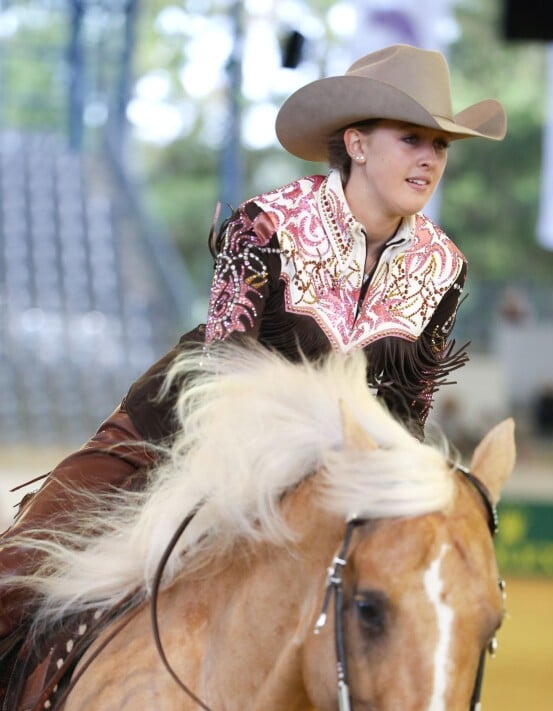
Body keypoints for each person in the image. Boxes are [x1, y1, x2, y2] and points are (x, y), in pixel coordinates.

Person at [0, 43, 506, 644]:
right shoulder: (267, 223)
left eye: (439, 146)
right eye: (411, 139)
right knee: (19, 573)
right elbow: (224, 377)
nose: (429, 160)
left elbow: (404, 416)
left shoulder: (443, 268)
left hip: (322, 479)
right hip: (179, 434)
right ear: (358, 144)